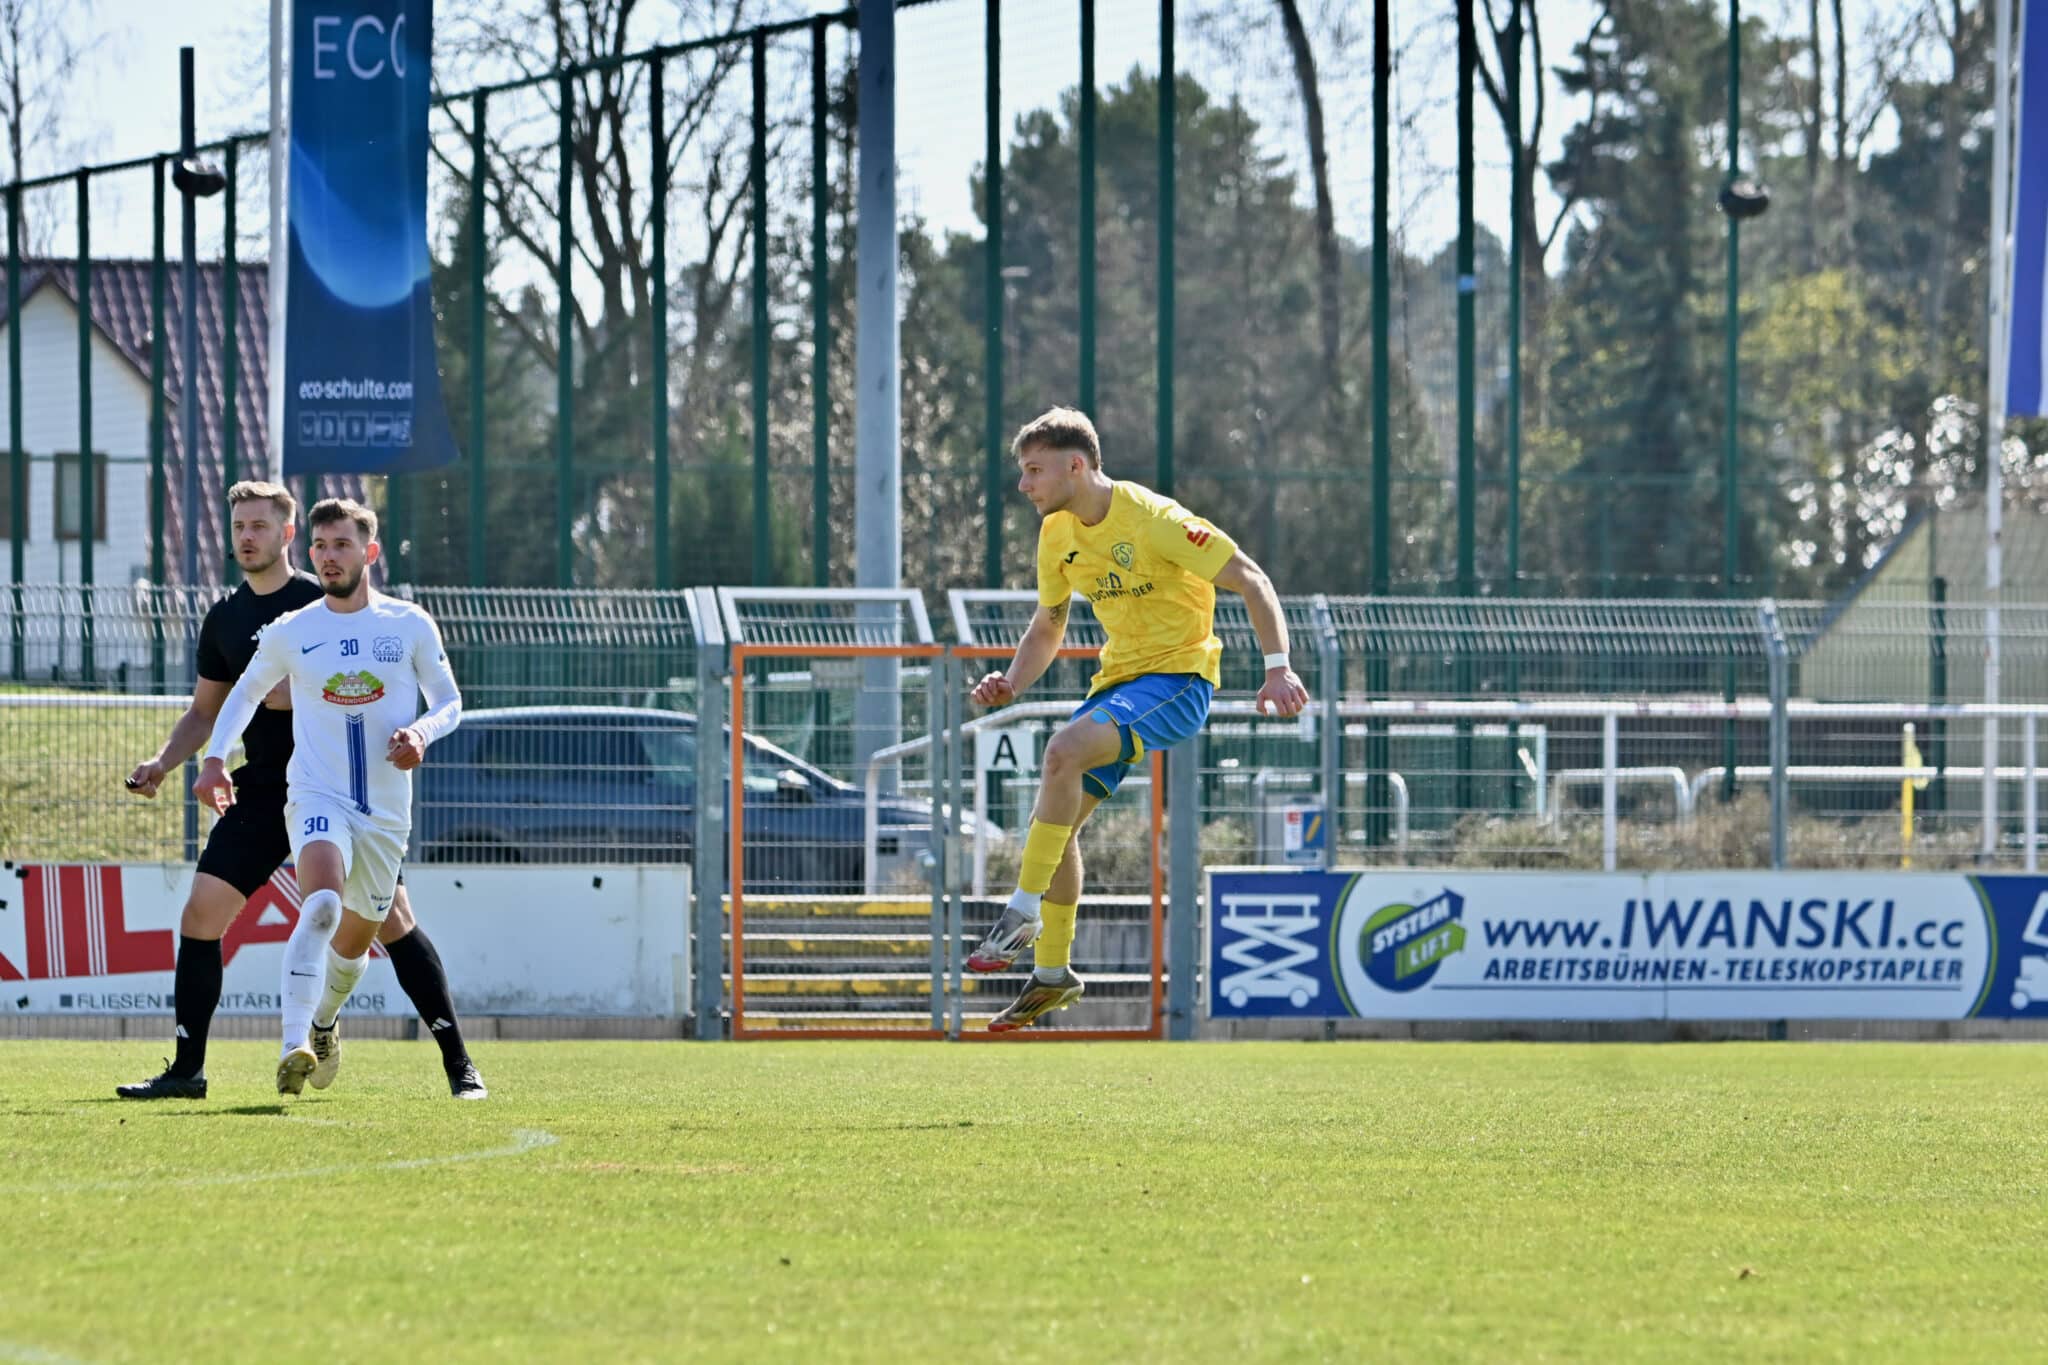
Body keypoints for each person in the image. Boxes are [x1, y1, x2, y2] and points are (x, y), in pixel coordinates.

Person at [118, 483, 484, 1101]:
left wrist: (412, 729)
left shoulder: (336, 600)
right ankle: (195, 1069)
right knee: (208, 912)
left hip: (364, 792)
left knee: (386, 925)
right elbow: (214, 706)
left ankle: (448, 1058)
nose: (246, 537)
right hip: (276, 789)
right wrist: (177, 762)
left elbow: (412, 693)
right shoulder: (235, 620)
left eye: (258, 526)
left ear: (288, 536)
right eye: (238, 526)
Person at [966, 408, 1309, 1031]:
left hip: (1179, 682)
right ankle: (1050, 974)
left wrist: (1277, 667)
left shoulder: (1156, 520)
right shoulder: (1056, 534)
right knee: (1059, 821)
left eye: (1034, 470)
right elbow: (1048, 626)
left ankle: (1019, 910)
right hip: (1119, 684)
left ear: (1077, 465)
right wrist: (1011, 681)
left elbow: (1252, 579)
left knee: (1061, 752)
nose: (1024, 486)